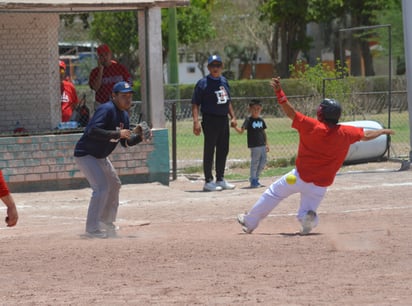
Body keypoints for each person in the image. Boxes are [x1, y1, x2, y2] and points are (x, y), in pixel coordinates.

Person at [237, 77, 394, 235]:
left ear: (321, 113)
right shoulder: (346, 132)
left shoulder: (311, 126)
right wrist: (382, 131)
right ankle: (308, 219)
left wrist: (279, 92)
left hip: (300, 176)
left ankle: (250, 222)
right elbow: (366, 135)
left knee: (273, 193)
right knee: (307, 210)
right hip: (320, 185)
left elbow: (290, 112)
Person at [74, 81, 150, 238]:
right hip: (86, 154)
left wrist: (140, 138)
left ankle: (106, 222)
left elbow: (125, 142)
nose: (127, 99)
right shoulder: (107, 109)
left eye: (129, 96)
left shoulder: (124, 115)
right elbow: (91, 131)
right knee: (101, 187)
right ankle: (92, 229)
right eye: (123, 96)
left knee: (114, 185)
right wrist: (117, 134)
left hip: (100, 156)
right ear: (113, 96)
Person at [191, 54, 237, 192]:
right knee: (210, 149)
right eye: (212, 65)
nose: (215, 68)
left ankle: (220, 179)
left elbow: (227, 101)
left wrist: (233, 117)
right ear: (208, 67)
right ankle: (208, 180)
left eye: (218, 65)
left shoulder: (224, 81)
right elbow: (195, 103)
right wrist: (196, 121)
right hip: (210, 119)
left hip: (223, 119)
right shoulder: (203, 83)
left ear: (222, 67)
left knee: (223, 149)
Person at [233, 99, 269, 188]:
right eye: (254, 109)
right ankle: (253, 180)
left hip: (262, 145)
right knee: (255, 162)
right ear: (250, 109)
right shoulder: (248, 120)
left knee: (263, 162)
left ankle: (255, 178)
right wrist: (235, 127)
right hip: (254, 145)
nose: (256, 110)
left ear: (261, 109)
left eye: (258, 109)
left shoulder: (261, 120)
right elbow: (241, 131)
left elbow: (264, 133)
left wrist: (267, 144)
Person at [89, 44, 132, 109]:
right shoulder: (95, 72)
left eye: (106, 54)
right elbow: (95, 88)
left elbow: (129, 86)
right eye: (101, 55)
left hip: (119, 103)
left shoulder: (120, 68)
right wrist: (101, 70)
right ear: (98, 57)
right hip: (102, 104)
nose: (104, 57)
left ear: (110, 54)